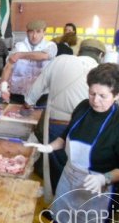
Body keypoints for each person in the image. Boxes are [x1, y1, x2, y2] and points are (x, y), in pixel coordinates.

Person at [25, 63, 119, 223]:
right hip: (69, 179)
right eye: (92, 93)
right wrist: (49, 147)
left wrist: (105, 178)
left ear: (117, 95)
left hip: (97, 189)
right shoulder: (83, 108)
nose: (95, 100)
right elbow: (66, 136)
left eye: (103, 96)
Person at [25, 39, 106, 193]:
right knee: (79, 169)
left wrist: (28, 102)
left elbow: (36, 89)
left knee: (58, 167)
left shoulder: (60, 61)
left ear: (80, 51)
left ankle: (59, 203)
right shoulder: (102, 71)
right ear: (100, 55)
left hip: (57, 125)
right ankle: (72, 205)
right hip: (86, 127)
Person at [0, 20, 57, 105]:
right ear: (27, 33)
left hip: (41, 96)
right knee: (14, 117)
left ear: (44, 32)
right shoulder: (18, 46)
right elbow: (8, 66)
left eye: (38, 32)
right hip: (18, 94)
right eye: (31, 32)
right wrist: (4, 88)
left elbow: (44, 56)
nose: (34, 36)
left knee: (38, 117)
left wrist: (20, 55)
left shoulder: (51, 46)